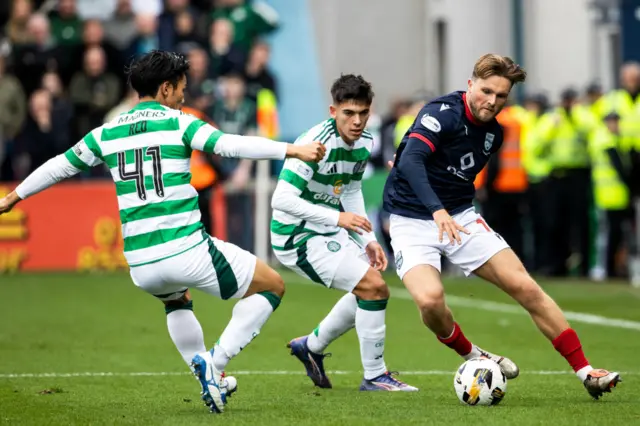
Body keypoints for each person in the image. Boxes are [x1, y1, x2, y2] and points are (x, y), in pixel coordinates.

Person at [0, 50, 325, 414]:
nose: (184, 96)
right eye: (181, 89)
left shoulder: (105, 132)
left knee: (176, 300)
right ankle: (214, 364)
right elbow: (229, 145)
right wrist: (292, 149)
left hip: (140, 264)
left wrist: (14, 196)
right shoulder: (179, 122)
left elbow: (60, 166)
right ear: (166, 88)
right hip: (185, 249)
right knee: (272, 285)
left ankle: (210, 382)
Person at [382, 53, 621, 400]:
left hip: (460, 218)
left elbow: (450, 171)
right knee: (431, 301)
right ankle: (473, 355)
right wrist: (435, 209)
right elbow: (412, 160)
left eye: (501, 96)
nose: (492, 101)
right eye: (486, 91)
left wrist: (450, 209)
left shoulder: (494, 133)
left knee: (526, 287)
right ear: (470, 85)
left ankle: (586, 372)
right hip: (412, 220)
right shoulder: (442, 113)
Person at [270, 74, 417, 391]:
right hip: (295, 236)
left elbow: (349, 191)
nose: (357, 121)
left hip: (328, 227)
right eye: (349, 113)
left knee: (368, 289)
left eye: (363, 113)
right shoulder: (315, 144)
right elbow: (280, 199)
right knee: (374, 288)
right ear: (333, 110)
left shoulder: (364, 142)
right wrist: (339, 220)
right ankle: (375, 375)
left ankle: (309, 347)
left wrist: (368, 239)